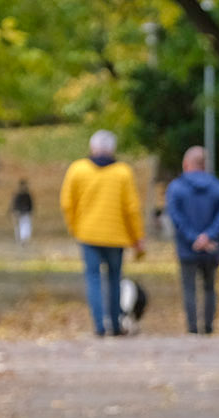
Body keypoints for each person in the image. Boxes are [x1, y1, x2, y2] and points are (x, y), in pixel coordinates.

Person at [59, 130, 145, 337]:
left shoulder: (78, 170)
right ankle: (115, 324)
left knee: (94, 279)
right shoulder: (123, 172)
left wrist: (74, 227)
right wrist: (137, 238)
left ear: (92, 147)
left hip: (87, 234)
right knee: (115, 279)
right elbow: (132, 209)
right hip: (116, 236)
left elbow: (67, 203)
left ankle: (99, 325)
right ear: (113, 149)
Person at [165, 147, 219, 335]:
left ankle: (192, 328)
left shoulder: (176, 188)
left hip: (187, 248)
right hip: (211, 247)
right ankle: (208, 326)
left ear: (186, 164)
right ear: (205, 165)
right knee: (210, 287)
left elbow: (175, 216)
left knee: (189, 288)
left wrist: (194, 237)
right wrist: (208, 236)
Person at [9, 179, 34, 245]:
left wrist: (30, 211)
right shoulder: (17, 195)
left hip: (26, 213)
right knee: (20, 226)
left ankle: (24, 239)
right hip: (20, 213)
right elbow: (14, 205)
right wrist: (14, 212)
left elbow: (30, 204)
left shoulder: (27, 195)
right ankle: (21, 239)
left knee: (26, 226)